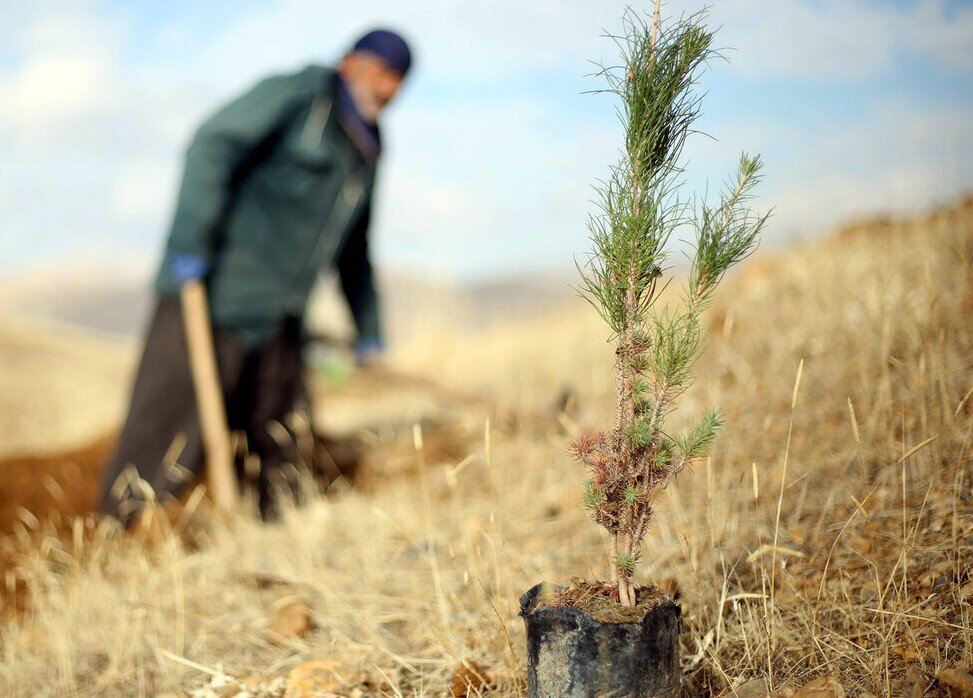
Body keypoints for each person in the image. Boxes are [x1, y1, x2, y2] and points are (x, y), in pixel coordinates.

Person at [99, 29, 412, 523]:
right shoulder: (300, 97)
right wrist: (189, 244)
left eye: (399, 80)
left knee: (282, 446)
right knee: (164, 436)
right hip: (210, 296)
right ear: (351, 62)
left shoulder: (368, 149)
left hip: (281, 317)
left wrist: (368, 329)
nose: (389, 88)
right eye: (382, 72)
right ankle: (123, 533)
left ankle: (275, 533)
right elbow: (212, 144)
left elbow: (354, 251)